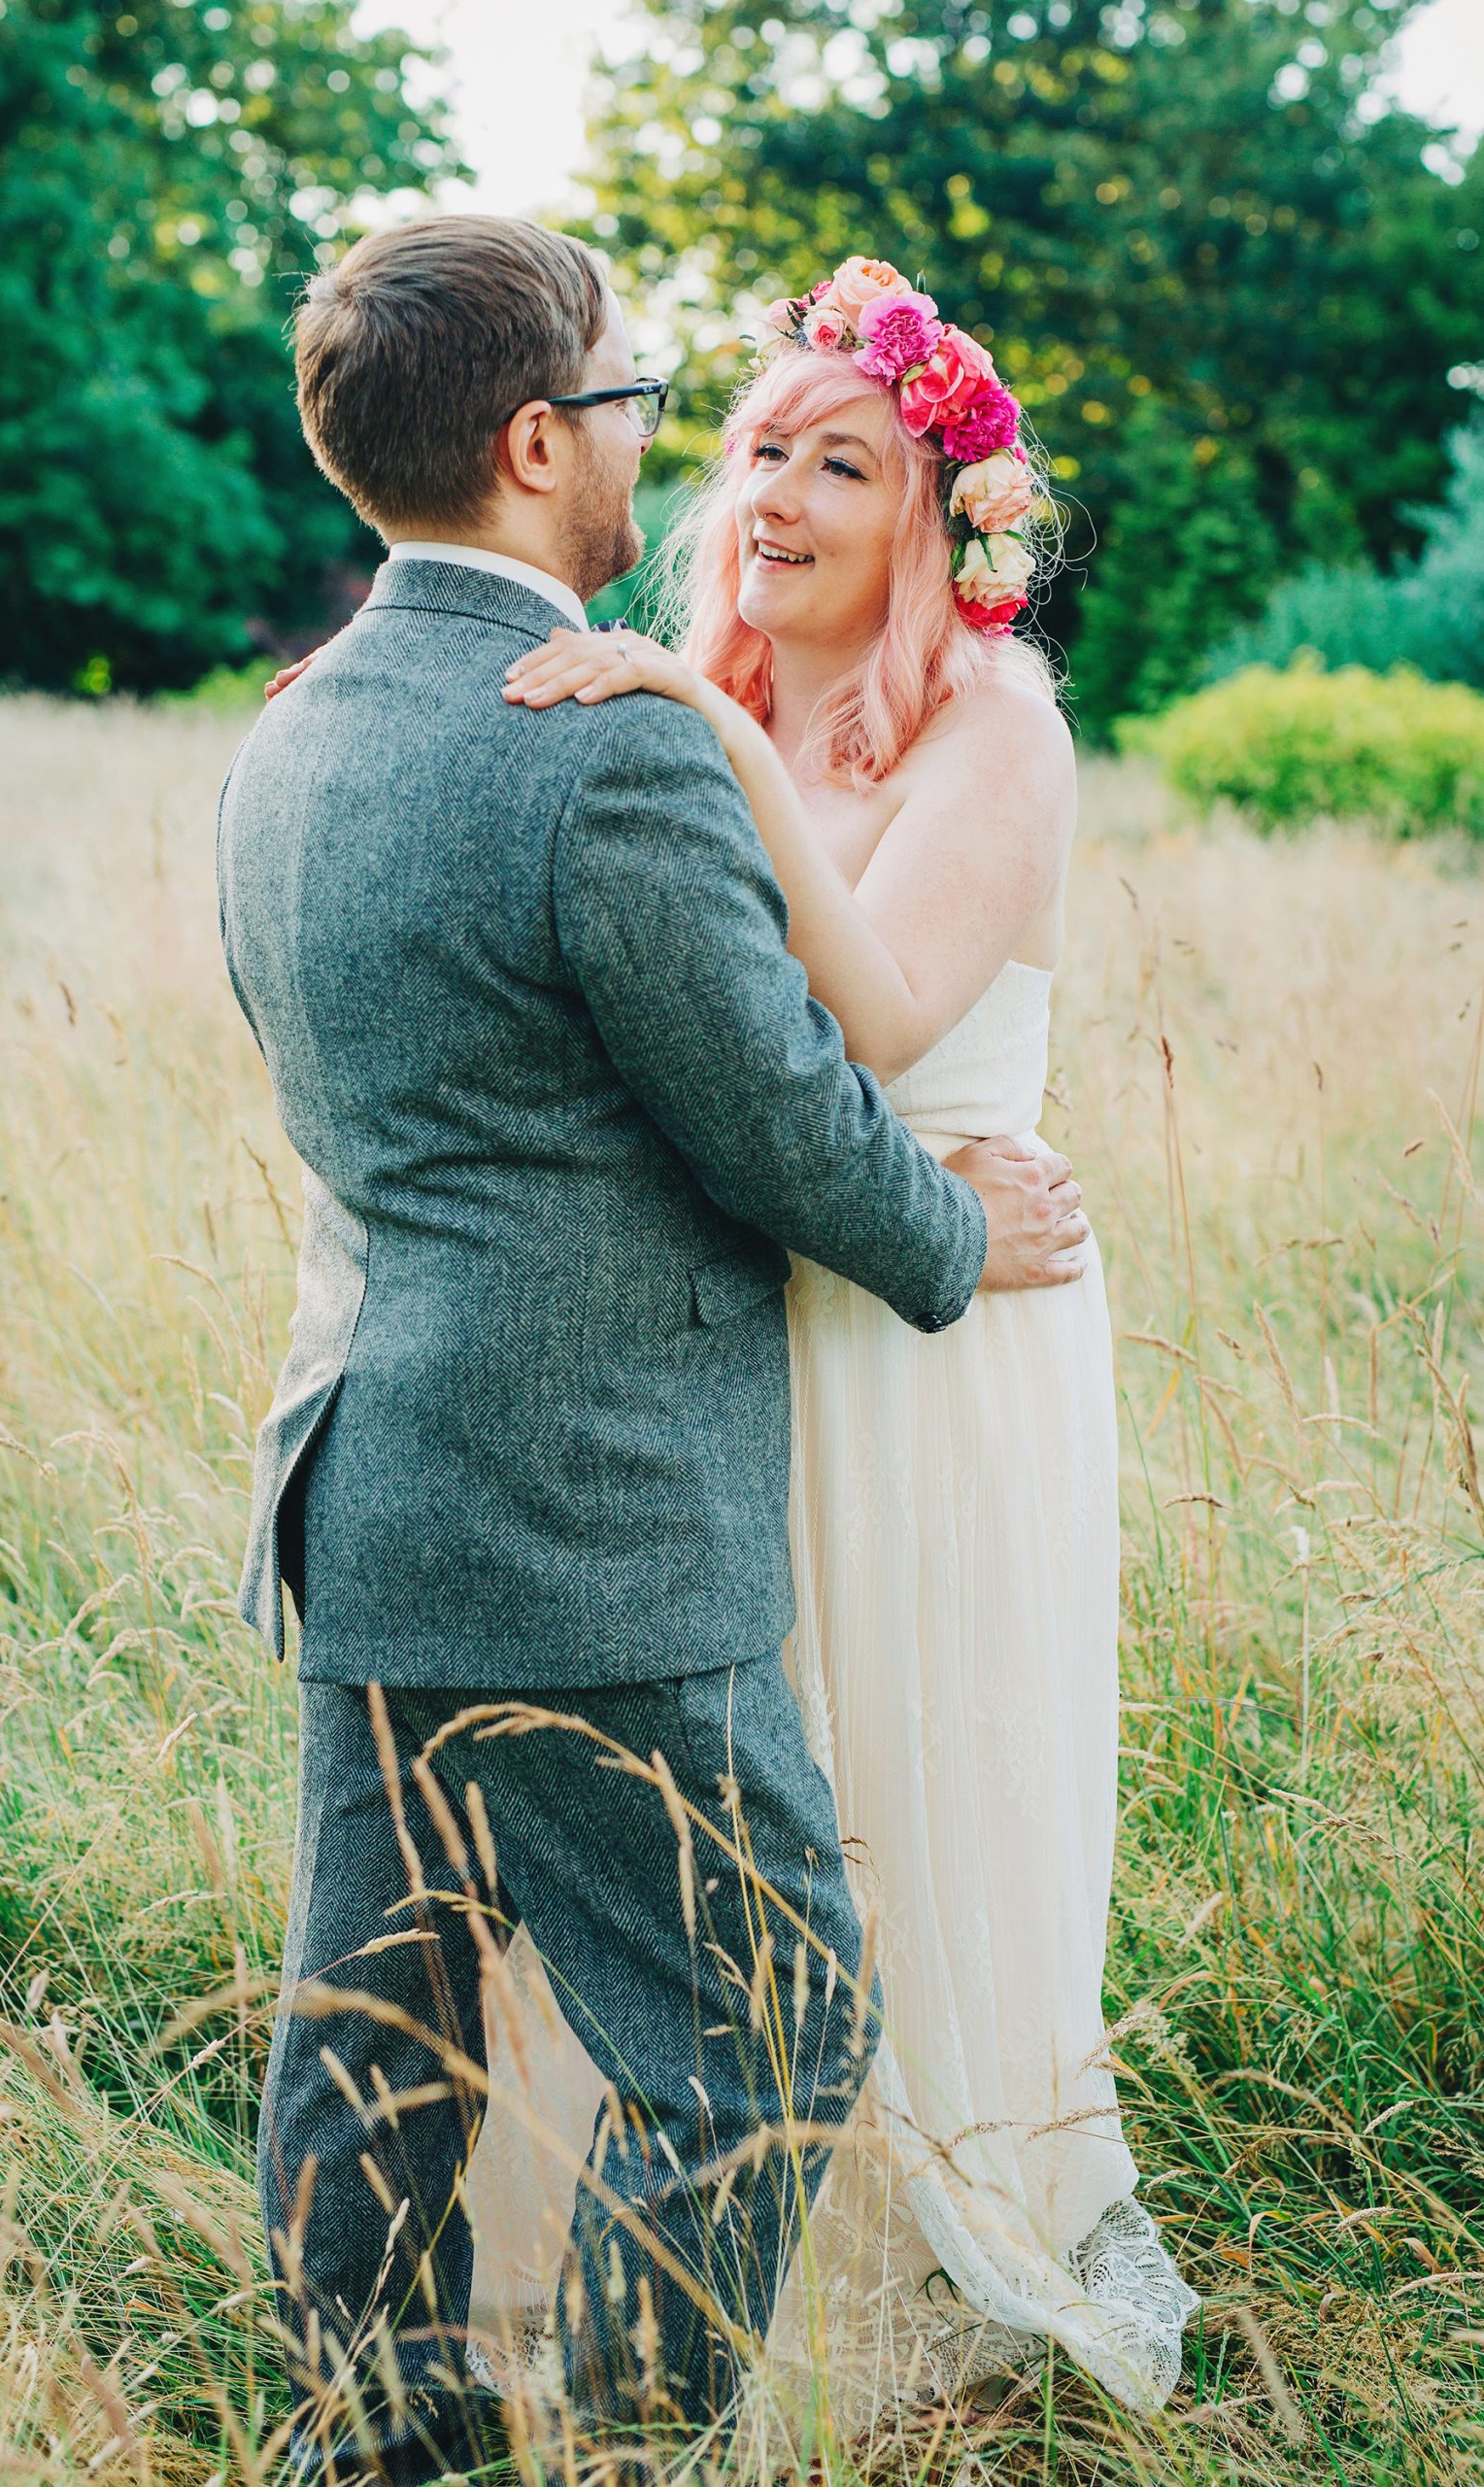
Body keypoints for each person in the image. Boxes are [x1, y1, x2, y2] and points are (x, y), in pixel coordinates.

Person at [220, 217, 1086, 2483]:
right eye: (628, 402)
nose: (658, 446)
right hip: (589, 1506)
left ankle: (363, 2449)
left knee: (375, 2037)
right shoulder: (603, 757)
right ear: (533, 443)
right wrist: (949, 1224)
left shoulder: (285, 735)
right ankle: (616, 2451)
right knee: (765, 2018)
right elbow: (781, 1112)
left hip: (363, 1484)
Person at [450, 257, 1199, 2426]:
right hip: (741, 1318)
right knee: (747, 1780)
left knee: (912, 1766)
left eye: (835, 461)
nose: (767, 488)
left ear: (931, 526)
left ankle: (922, 2264)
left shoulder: (993, 720)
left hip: (946, 1324)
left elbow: (874, 1013)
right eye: (756, 446)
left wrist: (699, 724)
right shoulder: (702, 690)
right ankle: (704, 2249)